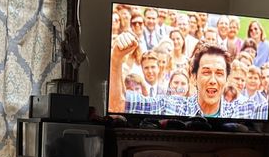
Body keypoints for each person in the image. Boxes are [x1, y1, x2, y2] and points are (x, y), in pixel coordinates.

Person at [110, 40, 261, 119]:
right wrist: (116, 60)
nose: (213, 80)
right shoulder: (171, 106)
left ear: (227, 80)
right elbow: (117, 107)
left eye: (219, 73)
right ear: (194, 78)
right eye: (206, 72)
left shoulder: (242, 111)